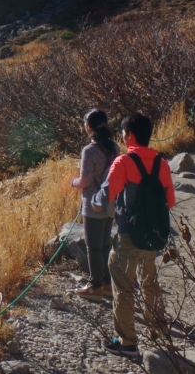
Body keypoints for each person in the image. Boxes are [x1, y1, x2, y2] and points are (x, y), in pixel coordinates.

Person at [100, 113, 176, 360]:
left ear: (129, 135)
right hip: (152, 236)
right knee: (149, 282)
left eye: (123, 133)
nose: (122, 137)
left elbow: (107, 195)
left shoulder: (123, 162)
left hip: (128, 235)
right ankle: (158, 331)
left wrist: (94, 201)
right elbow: (170, 201)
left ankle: (127, 343)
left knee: (123, 287)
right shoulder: (161, 164)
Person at [70, 109, 118, 301]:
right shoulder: (114, 147)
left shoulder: (89, 150)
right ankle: (107, 283)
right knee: (105, 244)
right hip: (109, 202)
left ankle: (95, 286)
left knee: (93, 247)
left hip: (92, 204)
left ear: (88, 126)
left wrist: (73, 182)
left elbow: (85, 180)